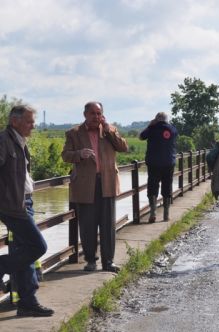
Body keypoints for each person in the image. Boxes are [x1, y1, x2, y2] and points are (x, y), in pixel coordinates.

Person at [62, 102, 128, 273]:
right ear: (85, 114)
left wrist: (109, 130)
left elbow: (123, 147)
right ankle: (91, 260)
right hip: (85, 185)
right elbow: (65, 155)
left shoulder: (109, 130)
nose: (96, 117)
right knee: (87, 225)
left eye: (99, 113)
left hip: (107, 183)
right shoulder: (74, 133)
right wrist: (79, 154)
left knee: (108, 225)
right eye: (92, 113)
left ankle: (108, 262)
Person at [0, 104, 53, 317]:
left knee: (25, 253)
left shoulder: (19, 141)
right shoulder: (3, 140)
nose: (34, 125)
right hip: (13, 206)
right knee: (38, 246)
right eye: (29, 121)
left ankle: (27, 302)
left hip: (24, 203)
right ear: (15, 121)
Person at [139, 112, 177, 223]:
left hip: (153, 163)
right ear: (166, 119)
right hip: (168, 162)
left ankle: (153, 213)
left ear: (156, 119)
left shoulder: (151, 129)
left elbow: (141, 137)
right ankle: (166, 215)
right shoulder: (172, 129)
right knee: (167, 186)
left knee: (152, 186)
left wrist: (150, 125)